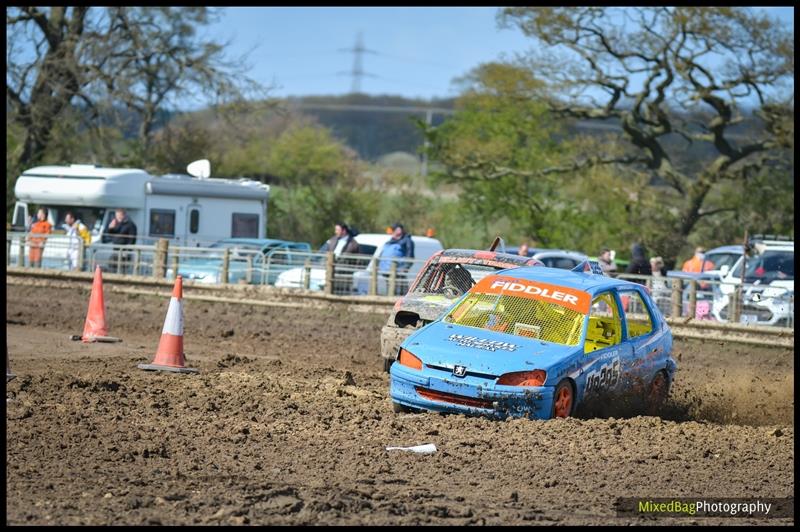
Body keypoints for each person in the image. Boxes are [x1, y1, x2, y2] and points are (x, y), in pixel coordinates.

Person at [323, 222, 360, 294]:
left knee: (342, 293)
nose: (335, 232)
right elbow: (326, 251)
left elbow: (357, 260)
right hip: (331, 271)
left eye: (337, 230)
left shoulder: (353, 244)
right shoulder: (333, 240)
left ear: (344, 231)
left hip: (344, 274)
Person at [378, 223, 415, 295]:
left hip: (398, 271)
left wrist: (405, 267)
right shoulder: (390, 241)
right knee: (390, 289)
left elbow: (410, 256)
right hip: (386, 270)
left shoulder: (407, 241)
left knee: (399, 290)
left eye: (395, 230)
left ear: (399, 231)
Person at [102, 208, 138, 273]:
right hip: (116, 249)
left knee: (122, 268)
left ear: (123, 215)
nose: (117, 217)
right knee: (112, 265)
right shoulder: (117, 223)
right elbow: (111, 234)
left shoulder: (130, 224)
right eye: (116, 216)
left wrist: (128, 250)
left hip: (124, 250)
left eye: (118, 216)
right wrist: (110, 228)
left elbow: (132, 239)